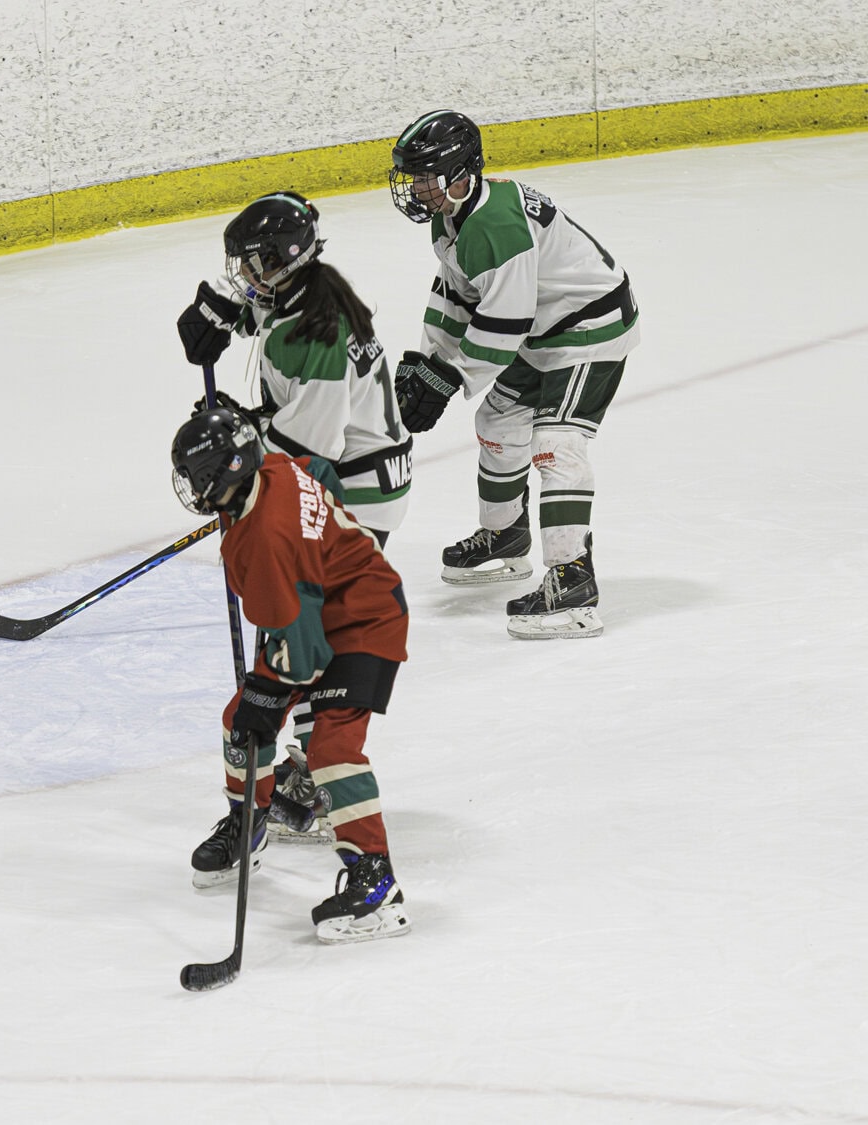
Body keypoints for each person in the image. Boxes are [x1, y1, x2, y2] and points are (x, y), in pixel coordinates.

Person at [177, 191, 412, 844]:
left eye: (253, 264)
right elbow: (263, 318)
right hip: (349, 471)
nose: (245, 275)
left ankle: (310, 775)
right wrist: (217, 311)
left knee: (309, 630)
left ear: (284, 259)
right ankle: (302, 762)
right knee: (299, 628)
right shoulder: (304, 296)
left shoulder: (319, 331)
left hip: (354, 486)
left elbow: (310, 446)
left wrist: (238, 436)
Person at [387, 109, 640, 639]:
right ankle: (506, 536)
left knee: (556, 445)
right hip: (545, 327)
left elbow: (505, 321)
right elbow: (456, 295)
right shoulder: (452, 213)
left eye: (426, 177)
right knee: (498, 423)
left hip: (588, 328)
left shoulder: (496, 225)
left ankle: (573, 584)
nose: (415, 189)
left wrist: (450, 378)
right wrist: (429, 363)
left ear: (460, 173)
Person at [169, 400, 411, 944]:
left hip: (365, 621)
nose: (192, 487)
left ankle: (377, 882)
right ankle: (249, 824)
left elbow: (303, 658)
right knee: (239, 721)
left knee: (331, 749)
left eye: (196, 476)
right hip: (322, 611)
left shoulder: (269, 540)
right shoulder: (272, 470)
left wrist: (267, 694)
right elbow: (319, 470)